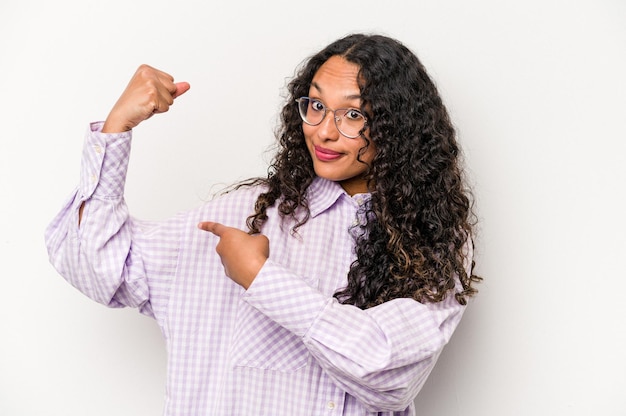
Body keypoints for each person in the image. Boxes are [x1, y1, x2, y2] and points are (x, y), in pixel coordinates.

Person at [45, 33, 481, 415]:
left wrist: (261, 279)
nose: (324, 132)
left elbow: (389, 375)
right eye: (315, 105)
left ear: (398, 128)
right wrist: (117, 128)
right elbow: (96, 266)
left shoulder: (430, 238)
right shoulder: (242, 217)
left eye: (352, 115)